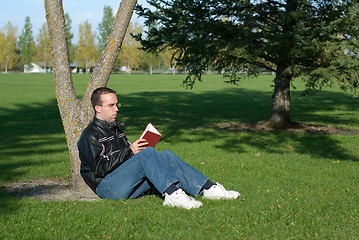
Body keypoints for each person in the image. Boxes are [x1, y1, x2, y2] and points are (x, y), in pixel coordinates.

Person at [77, 87, 240, 209]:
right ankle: (172, 195)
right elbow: (99, 169)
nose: (116, 109)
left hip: (124, 183)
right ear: (98, 108)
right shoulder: (90, 135)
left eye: (116, 104)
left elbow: (125, 160)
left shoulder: (116, 129)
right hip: (107, 188)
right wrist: (130, 151)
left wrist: (135, 151)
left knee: (166, 155)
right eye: (111, 105)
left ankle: (208, 189)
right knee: (147, 154)